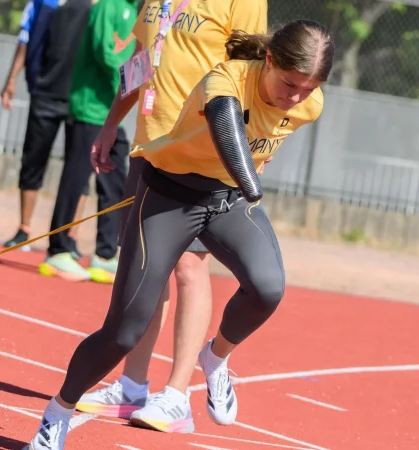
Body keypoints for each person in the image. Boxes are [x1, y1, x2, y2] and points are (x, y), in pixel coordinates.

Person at [23, 19, 334, 449]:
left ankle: (216, 358)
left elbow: (265, 137)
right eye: (290, 83)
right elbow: (228, 130)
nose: (297, 96)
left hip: (228, 201)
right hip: (170, 195)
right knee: (124, 330)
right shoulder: (225, 79)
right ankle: (56, 413)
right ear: (268, 59)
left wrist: (247, 187)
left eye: (308, 87)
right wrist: (254, 186)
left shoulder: (310, 103)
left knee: (268, 289)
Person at [74, 0, 267, 432]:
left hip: (200, 152)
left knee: (188, 267)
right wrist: (111, 123)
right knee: (145, 267)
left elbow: (251, 74)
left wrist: (247, 154)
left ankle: (177, 396)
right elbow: (141, 59)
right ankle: (131, 386)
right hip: (150, 147)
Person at [38, 0, 138, 283]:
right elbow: (104, 52)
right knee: (76, 178)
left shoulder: (141, 11)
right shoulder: (110, 5)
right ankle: (58, 251)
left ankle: (105, 255)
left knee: (117, 180)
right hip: (91, 107)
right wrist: (131, 87)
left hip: (110, 114)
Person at [0, 0, 93, 253]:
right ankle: (24, 229)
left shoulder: (95, 4)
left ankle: (69, 236)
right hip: (45, 92)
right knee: (33, 160)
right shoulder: (42, 3)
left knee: (79, 169)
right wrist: (11, 80)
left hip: (82, 96)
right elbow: (24, 40)